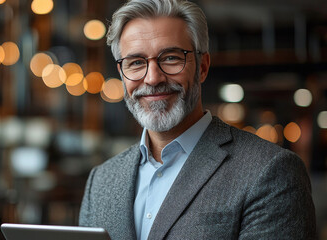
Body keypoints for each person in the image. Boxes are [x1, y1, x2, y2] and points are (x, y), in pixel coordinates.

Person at [78, 0, 316, 239]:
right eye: (136, 63)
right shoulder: (101, 181)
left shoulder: (272, 172)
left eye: (170, 58)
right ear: (122, 74)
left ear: (202, 67)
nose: (152, 78)